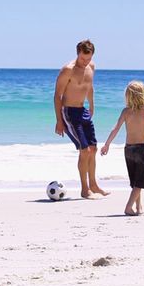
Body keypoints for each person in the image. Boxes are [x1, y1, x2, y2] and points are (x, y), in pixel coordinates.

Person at [54, 39, 109, 199]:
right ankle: (85, 190)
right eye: (83, 58)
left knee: (93, 148)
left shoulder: (91, 67)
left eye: (89, 58)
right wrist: (59, 120)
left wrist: (91, 105)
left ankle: (94, 185)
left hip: (83, 110)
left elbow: (89, 86)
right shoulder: (68, 70)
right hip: (69, 112)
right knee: (84, 150)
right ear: (78, 53)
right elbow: (57, 96)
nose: (86, 61)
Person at [100, 80, 144, 216]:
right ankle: (128, 207)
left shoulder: (126, 111)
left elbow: (115, 129)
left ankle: (139, 207)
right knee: (140, 182)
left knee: (136, 181)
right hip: (141, 150)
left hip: (128, 149)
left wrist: (107, 144)